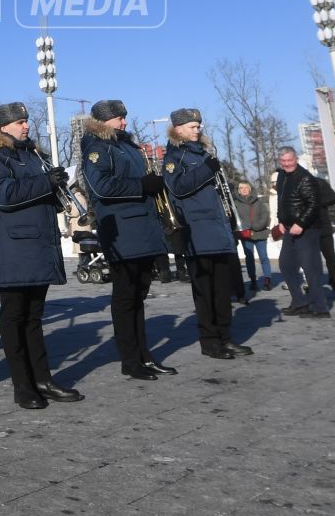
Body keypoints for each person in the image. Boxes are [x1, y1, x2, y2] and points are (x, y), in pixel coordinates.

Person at [0, 101, 83, 407]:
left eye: (26, 121)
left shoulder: (34, 155)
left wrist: (58, 188)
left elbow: (37, 193)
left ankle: (43, 379)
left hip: (38, 244)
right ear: (3, 127)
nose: (26, 126)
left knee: (34, 317)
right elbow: (3, 196)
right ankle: (23, 384)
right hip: (14, 248)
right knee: (14, 315)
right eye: (20, 122)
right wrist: (43, 182)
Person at [81, 100, 172, 378]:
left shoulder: (127, 146)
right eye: (119, 119)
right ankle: (130, 360)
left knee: (138, 296)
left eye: (124, 118)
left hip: (143, 228)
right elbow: (101, 187)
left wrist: (152, 183)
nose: (124, 123)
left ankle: (144, 355)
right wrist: (141, 186)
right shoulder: (98, 148)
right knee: (125, 297)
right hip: (122, 231)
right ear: (103, 121)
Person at [162, 110, 251, 359]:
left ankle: (226, 337)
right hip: (197, 231)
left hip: (218, 228)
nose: (197, 129)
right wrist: (206, 171)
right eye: (191, 126)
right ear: (178, 129)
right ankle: (210, 341)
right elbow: (176, 187)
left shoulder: (204, 153)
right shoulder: (174, 156)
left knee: (223, 290)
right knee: (205, 292)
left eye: (199, 125)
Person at [272, 148, 334, 318]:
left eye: (289, 160)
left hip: (307, 230)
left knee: (310, 268)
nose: (287, 164)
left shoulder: (305, 178)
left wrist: (301, 223)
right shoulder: (282, 177)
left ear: (296, 159)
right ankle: (300, 302)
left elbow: (313, 205)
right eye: (283, 161)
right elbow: (281, 201)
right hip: (288, 229)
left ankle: (320, 308)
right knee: (285, 265)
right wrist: (281, 221)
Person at [231, 181, 274, 294]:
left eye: (246, 187)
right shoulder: (235, 204)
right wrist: (245, 227)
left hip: (260, 233)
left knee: (263, 257)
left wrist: (256, 226)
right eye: (241, 188)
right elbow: (236, 219)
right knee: (249, 258)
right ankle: (253, 280)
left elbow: (265, 216)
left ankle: (267, 280)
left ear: (250, 189)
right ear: (238, 190)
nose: (244, 189)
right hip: (246, 235)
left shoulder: (259, 202)